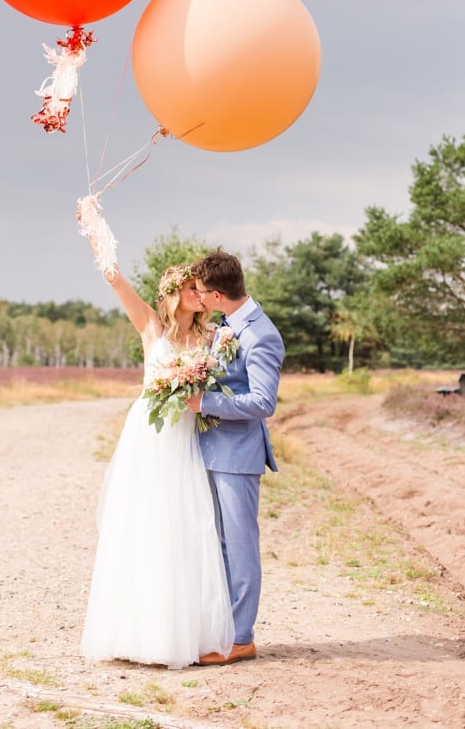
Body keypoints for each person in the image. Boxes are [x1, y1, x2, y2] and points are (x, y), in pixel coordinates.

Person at [78, 236, 235, 668]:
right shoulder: (151, 326)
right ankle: (136, 631)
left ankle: (182, 634)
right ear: (174, 292)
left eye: (201, 290)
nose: (198, 294)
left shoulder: (212, 336)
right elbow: (114, 280)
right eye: (191, 288)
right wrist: (95, 230)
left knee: (188, 524)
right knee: (144, 523)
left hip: (186, 436)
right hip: (150, 438)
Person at [187, 250, 285, 666]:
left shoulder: (261, 335)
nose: (199, 299)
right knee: (216, 543)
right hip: (210, 450)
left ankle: (240, 638)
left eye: (202, 293)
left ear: (218, 294)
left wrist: (201, 400)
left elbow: (263, 402)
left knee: (239, 546)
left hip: (237, 456)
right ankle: (219, 629)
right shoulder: (228, 324)